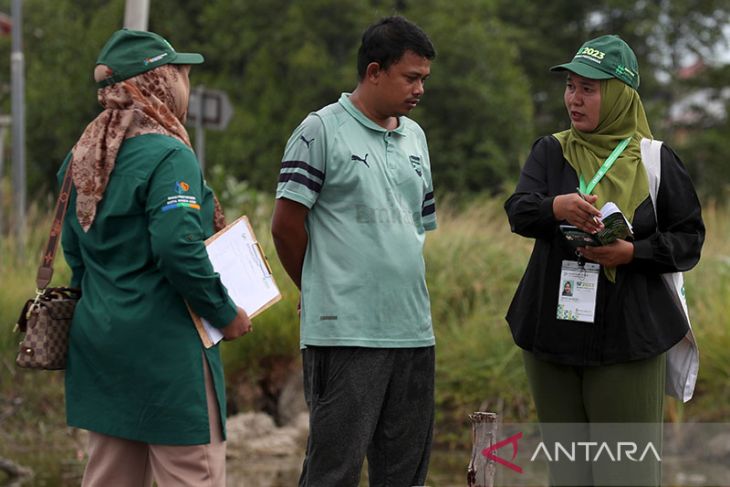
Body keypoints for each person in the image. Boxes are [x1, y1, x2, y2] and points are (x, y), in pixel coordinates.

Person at [504, 35, 704, 486]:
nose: (574, 99)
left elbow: (689, 239)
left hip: (629, 341)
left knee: (627, 474)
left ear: (617, 96)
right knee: (568, 475)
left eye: (588, 89)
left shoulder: (656, 161)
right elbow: (519, 211)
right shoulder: (550, 151)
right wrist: (557, 207)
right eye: (570, 86)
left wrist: (632, 252)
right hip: (551, 337)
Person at [59, 29, 252, 487]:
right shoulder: (169, 155)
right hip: (168, 354)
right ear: (157, 81)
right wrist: (225, 314)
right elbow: (177, 247)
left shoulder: (81, 157)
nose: (187, 83)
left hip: (100, 346)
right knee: (192, 475)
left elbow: (75, 253)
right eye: (181, 72)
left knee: (109, 477)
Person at [271, 15, 437, 487]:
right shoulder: (319, 131)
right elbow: (285, 226)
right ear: (374, 72)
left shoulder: (416, 138)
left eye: (424, 79)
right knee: (334, 472)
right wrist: (316, 283)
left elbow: (415, 229)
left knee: (405, 474)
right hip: (345, 333)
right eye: (411, 77)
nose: (419, 89)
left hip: (412, 331)